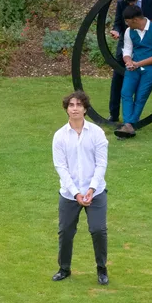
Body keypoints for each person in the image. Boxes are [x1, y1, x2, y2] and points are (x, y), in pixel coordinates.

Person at [52, 90, 110, 285]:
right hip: (69, 194)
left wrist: (91, 189)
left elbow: (101, 164)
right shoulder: (60, 136)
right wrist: (76, 192)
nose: (74, 109)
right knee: (66, 232)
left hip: (96, 192)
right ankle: (64, 268)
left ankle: (102, 269)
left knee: (98, 230)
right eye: (71, 105)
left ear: (85, 108)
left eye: (78, 105)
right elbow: (61, 167)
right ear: (67, 109)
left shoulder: (97, 133)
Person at [109, 0, 152, 124]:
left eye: (132, 1)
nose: (130, 4)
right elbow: (119, 23)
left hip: (146, 46)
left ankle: (130, 120)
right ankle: (114, 114)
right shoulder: (122, 2)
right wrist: (116, 30)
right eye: (128, 2)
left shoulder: (151, 0)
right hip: (127, 42)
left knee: (139, 87)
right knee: (118, 80)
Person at [116, 4, 152, 139]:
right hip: (134, 66)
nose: (126, 24)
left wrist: (138, 64)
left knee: (140, 96)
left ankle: (129, 125)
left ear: (135, 20)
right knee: (126, 92)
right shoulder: (129, 31)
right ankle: (129, 125)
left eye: (127, 21)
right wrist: (128, 61)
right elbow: (127, 50)